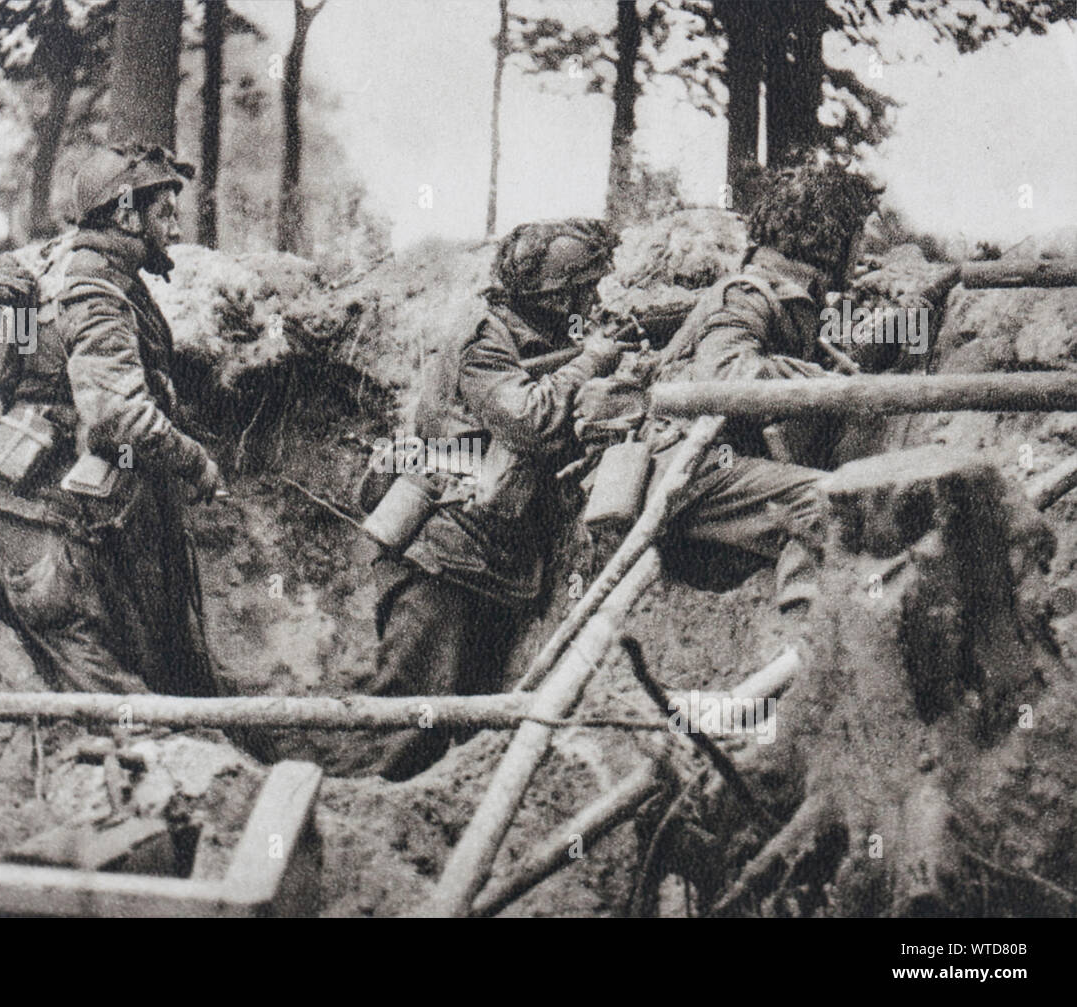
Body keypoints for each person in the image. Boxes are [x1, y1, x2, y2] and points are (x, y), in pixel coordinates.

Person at [0, 143, 235, 704]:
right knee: (106, 687)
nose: (175, 227)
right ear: (126, 215)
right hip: (20, 511)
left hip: (41, 501)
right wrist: (196, 463)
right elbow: (116, 415)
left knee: (142, 665)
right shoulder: (93, 288)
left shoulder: (98, 273)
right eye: (165, 211)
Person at [348, 218, 627, 780]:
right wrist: (592, 360)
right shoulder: (485, 337)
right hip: (442, 559)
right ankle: (348, 818)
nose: (592, 300)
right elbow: (532, 421)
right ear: (554, 294)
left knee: (464, 729)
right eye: (583, 291)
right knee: (406, 723)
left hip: (494, 568)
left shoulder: (539, 338)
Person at [575, 162, 879, 624]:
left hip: (702, 470)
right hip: (681, 468)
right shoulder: (750, 293)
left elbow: (843, 353)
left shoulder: (790, 294)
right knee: (826, 502)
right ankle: (809, 639)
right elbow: (722, 374)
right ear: (835, 238)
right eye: (858, 235)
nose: (862, 252)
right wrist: (805, 377)